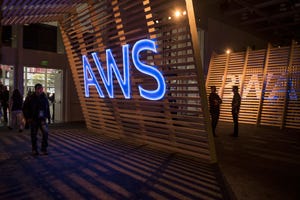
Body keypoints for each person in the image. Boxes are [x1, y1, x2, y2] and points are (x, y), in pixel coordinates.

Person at [26, 83, 50, 155]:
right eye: (38, 89)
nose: (40, 90)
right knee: (34, 135)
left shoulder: (44, 97)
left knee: (45, 133)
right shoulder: (30, 97)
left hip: (42, 119)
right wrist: (28, 117)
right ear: (35, 89)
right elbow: (25, 108)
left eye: (41, 89)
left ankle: (44, 149)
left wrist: (48, 117)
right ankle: (34, 149)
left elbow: (47, 108)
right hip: (34, 119)